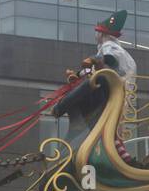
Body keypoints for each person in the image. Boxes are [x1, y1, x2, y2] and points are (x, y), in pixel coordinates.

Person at [52, 9, 138, 142]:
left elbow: (110, 59)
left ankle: (61, 106)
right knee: (88, 85)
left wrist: (93, 59)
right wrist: (77, 74)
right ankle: (81, 127)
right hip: (109, 87)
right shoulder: (105, 48)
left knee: (91, 82)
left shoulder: (110, 46)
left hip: (115, 87)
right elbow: (93, 69)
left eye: (97, 32)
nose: (95, 34)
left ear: (102, 34)